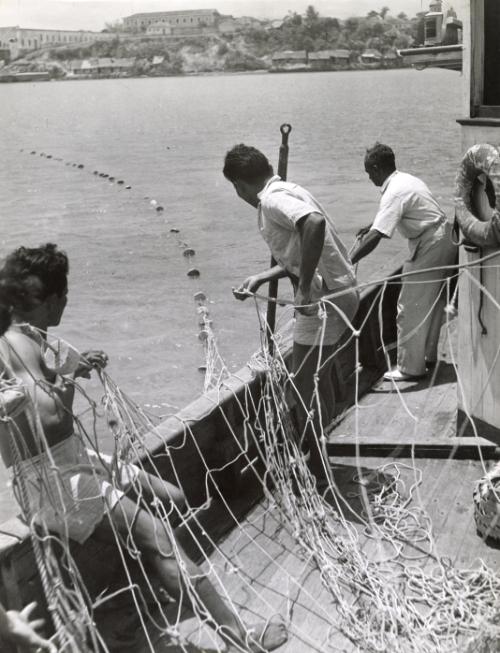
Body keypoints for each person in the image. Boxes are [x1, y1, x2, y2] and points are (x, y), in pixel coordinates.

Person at [0, 243, 287, 653]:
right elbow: (48, 418)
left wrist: (74, 368)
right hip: (52, 479)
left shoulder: (28, 335)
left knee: (172, 497)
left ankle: (163, 584)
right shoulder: (15, 344)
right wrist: (67, 388)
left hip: (71, 461)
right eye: (64, 297)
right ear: (51, 300)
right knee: (157, 535)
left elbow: (45, 376)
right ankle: (238, 638)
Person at [223, 144, 359, 480]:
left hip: (323, 301)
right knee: (318, 380)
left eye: (235, 188)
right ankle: (321, 456)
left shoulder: (270, 200)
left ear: (240, 184)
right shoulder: (289, 189)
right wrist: (261, 277)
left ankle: (315, 471)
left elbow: (313, 224)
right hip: (342, 292)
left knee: (302, 386)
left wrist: (301, 290)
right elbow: (302, 248)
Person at [350, 142, 458, 381]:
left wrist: (349, 262)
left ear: (377, 168)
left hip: (430, 243)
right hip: (443, 238)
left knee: (409, 307)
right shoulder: (406, 180)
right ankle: (427, 357)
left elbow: (379, 235)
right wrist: (371, 225)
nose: (369, 178)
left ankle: (410, 368)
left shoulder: (394, 191)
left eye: (369, 173)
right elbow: (395, 216)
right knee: (431, 303)